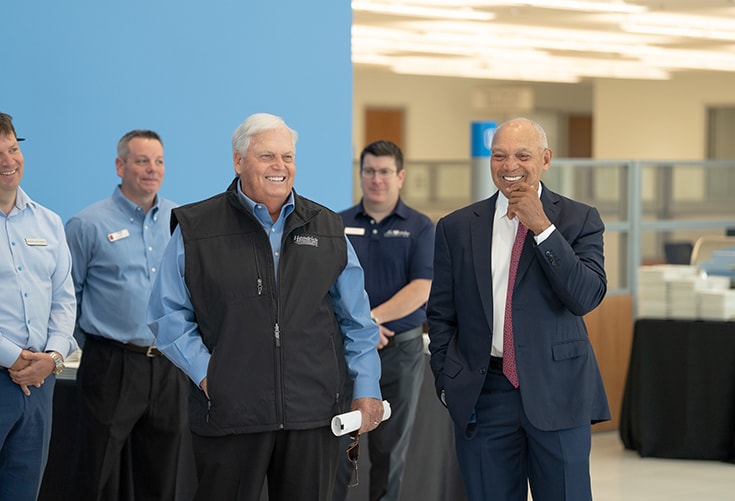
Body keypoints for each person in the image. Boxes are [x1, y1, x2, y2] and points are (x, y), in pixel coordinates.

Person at [147, 112, 384, 501]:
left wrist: (367, 386)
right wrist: (210, 376)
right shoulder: (197, 227)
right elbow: (167, 313)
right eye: (267, 157)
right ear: (238, 161)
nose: (280, 167)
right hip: (229, 413)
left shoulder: (327, 228)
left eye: (287, 157)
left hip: (312, 415)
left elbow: (357, 321)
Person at [427, 117, 609, 501]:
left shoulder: (579, 219)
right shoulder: (457, 227)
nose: (510, 166)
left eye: (522, 155)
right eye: (499, 156)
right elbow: (441, 314)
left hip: (558, 391)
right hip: (484, 392)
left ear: (545, 159)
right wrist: (448, 379)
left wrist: (542, 227)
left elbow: (585, 296)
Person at [64, 130, 188, 500]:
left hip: (169, 367)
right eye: (142, 161)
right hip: (111, 366)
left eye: (159, 161)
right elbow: (69, 295)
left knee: (161, 476)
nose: (152, 169)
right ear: (121, 166)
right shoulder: (87, 224)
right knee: (94, 472)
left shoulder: (180, 220)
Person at [334, 140, 434, 501]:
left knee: (390, 452)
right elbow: (325, 286)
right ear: (360, 174)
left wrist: (370, 321)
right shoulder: (336, 225)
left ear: (401, 176)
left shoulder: (420, 227)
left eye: (385, 171)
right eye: (369, 171)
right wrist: (360, 330)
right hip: (344, 353)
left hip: (399, 354)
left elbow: (422, 286)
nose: (376, 179)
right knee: (340, 448)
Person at [0, 112, 78, 501]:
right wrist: (12, 356)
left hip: (40, 385)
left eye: (13, 148)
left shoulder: (49, 223)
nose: (7, 161)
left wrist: (53, 356)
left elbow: (64, 300)